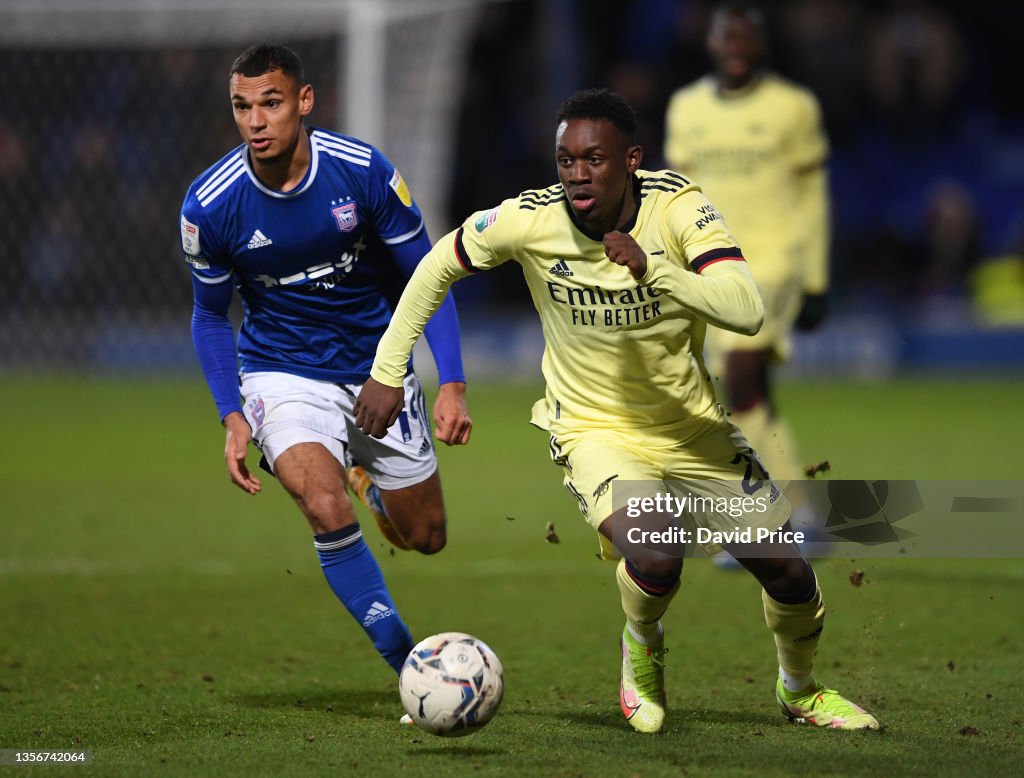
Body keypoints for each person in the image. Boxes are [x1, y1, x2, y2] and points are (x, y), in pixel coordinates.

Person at [354, 88, 879, 734]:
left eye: (594, 160)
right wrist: (387, 368)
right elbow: (439, 264)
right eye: (565, 160)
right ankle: (642, 647)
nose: (577, 174)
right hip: (594, 429)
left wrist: (656, 271)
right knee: (658, 551)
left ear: (631, 160)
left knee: (789, 573)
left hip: (692, 429)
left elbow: (746, 306)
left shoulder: (679, 208)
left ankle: (799, 690)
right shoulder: (530, 219)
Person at [179, 43, 472, 677]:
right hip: (282, 374)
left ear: (304, 102)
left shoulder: (362, 172)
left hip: (379, 370)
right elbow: (208, 315)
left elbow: (426, 276)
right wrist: (231, 414)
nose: (256, 121)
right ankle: (408, 665)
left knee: (425, 537)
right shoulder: (209, 206)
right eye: (242, 107)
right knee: (322, 503)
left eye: (272, 103)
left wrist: (449, 380)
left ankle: (367, 481)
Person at [664, 3, 830, 483]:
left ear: (761, 45)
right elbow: (679, 196)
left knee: (738, 382)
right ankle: (781, 517)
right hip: (713, 265)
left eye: (746, 38)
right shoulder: (686, 108)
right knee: (747, 392)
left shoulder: (793, 107)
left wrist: (816, 280)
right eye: (727, 37)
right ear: (711, 43)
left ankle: (784, 516)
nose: (736, 47)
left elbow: (812, 195)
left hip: (776, 260)